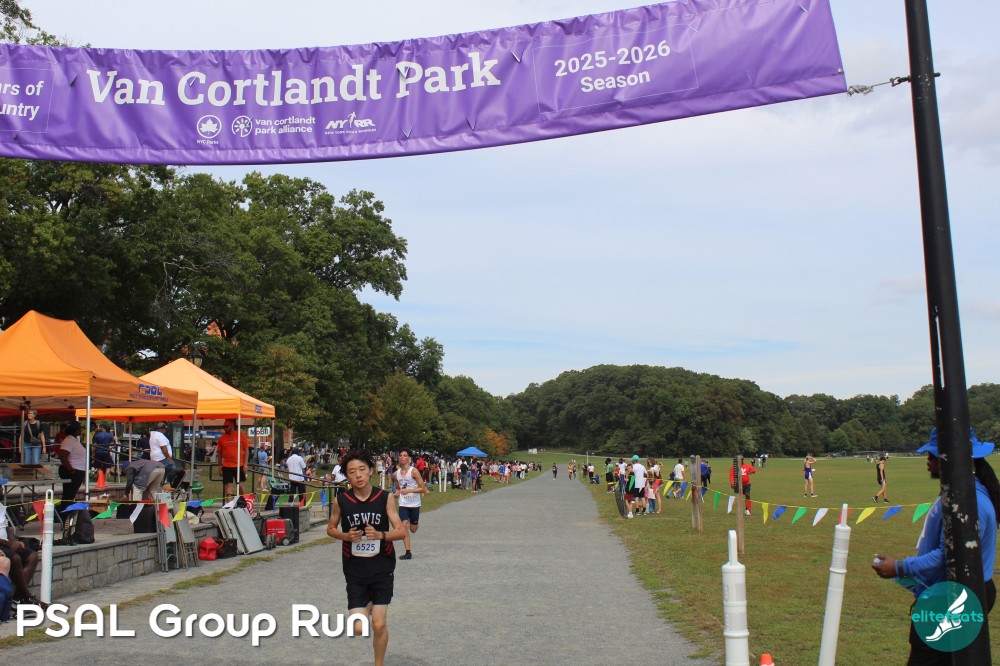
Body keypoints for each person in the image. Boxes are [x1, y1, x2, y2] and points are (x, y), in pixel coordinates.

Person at [872, 428, 998, 664]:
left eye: (932, 455)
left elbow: (948, 556)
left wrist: (900, 568)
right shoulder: (960, 492)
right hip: (949, 594)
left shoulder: (971, 502)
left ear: (950, 459)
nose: (927, 461)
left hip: (953, 600)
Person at [326, 450, 405, 666]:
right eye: (352, 472)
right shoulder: (341, 500)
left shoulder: (384, 497)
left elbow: (401, 531)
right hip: (355, 570)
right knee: (359, 627)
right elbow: (330, 529)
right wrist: (346, 536)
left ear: (371, 471)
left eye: (362, 469)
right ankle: (367, 603)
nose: (358, 475)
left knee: (378, 624)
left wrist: (380, 535)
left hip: (381, 567)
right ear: (347, 476)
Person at [393, 448, 427, 560]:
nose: (402, 457)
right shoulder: (396, 474)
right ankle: (408, 552)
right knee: (404, 526)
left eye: (404, 455)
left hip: (414, 504)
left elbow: (423, 488)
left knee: (413, 529)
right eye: (400, 455)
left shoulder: (414, 471)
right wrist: (397, 493)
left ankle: (415, 523)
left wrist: (409, 490)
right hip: (403, 503)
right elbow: (398, 488)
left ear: (409, 458)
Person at [217, 419, 250, 501]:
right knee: (228, 486)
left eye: (226, 426)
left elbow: (246, 450)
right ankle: (229, 505)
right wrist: (219, 466)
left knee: (240, 485)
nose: (224, 428)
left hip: (239, 464)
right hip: (226, 465)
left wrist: (245, 464)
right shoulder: (222, 438)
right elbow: (219, 453)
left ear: (232, 426)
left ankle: (243, 501)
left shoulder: (240, 435)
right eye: (224, 427)